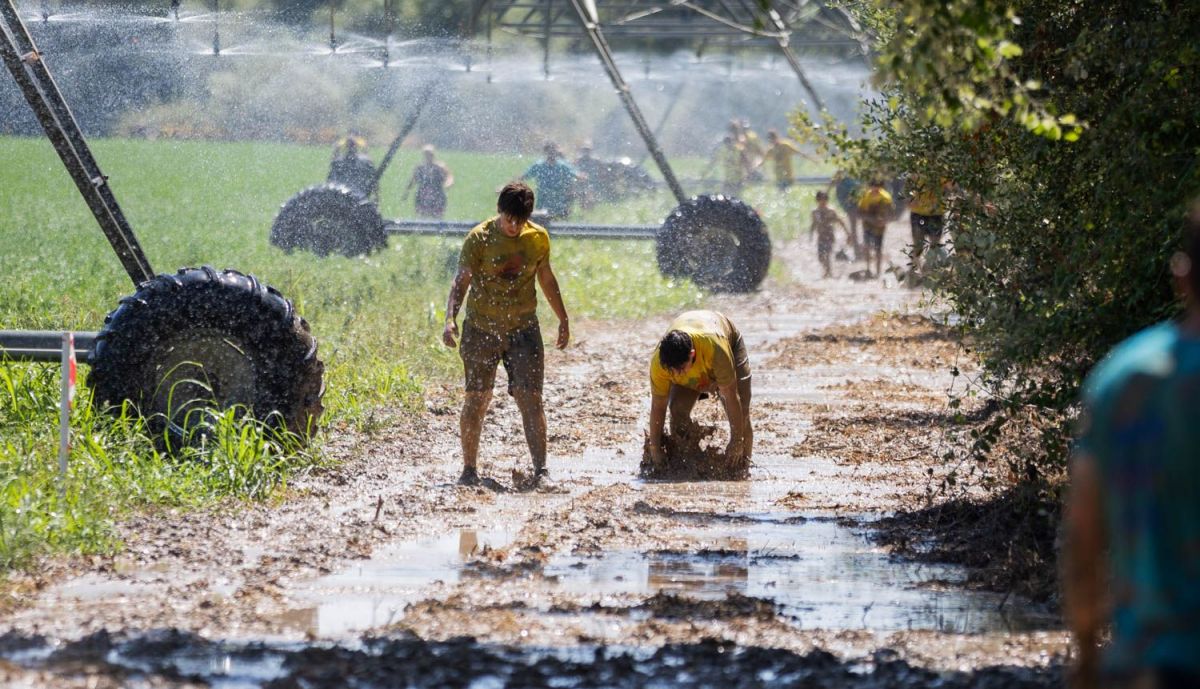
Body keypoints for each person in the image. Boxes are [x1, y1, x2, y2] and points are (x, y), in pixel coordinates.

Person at [1063, 203, 1200, 689]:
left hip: (1151, 661)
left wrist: (1085, 654)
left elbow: (1083, 533)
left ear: (1182, 276)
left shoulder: (1124, 379)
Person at [442, 182, 570, 487]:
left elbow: (546, 278)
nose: (513, 226)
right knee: (477, 399)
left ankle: (541, 471)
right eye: (508, 219)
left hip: (523, 329)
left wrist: (563, 318)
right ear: (500, 212)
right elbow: (461, 281)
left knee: (531, 399)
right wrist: (450, 318)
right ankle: (469, 470)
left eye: (519, 221)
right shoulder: (480, 238)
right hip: (481, 328)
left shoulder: (537, 239)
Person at [647, 310, 752, 469]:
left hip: (726, 342)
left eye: (681, 370)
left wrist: (736, 440)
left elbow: (731, 397)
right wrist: (655, 448)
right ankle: (686, 462)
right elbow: (658, 406)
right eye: (672, 371)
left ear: (692, 354)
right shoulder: (659, 363)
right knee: (677, 409)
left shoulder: (716, 350)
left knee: (742, 414)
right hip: (696, 359)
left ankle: (742, 468)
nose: (676, 375)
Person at [906, 174, 950, 284]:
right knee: (918, 246)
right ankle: (912, 275)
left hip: (936, 214)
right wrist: (909, 199)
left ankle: (928, 273)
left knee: (934, 245)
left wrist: (944, 196)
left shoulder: (941, 171)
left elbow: (950, 189)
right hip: (918, 213)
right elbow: (908, 186)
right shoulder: (918, 170)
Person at [522, 142, 578, 220]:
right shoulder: (539, 166)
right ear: (545, 152)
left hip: (559, 198)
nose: (552, 153)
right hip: (543, 198)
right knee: (541, 219)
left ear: (556, 152)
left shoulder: (562, 166)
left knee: (560, 219)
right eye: (550, 151)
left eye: (553, 151)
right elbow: (524, 176)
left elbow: (575, 175)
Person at [402, 144, 454, 219]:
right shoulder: (420, 167)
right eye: (426, 154)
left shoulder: (440, 166)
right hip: (422, 196)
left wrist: (448, 184)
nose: (428, 156)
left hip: (437, 196)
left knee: (437, 218)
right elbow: (413, 179)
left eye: (430, 154)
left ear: (433, 154)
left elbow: (449, 177)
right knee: (421, 218)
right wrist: (406, 192)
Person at [857, 179, 894, 278]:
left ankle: (878, 272)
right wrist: (871, 219)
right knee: (867, 246)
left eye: (877, 187)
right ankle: (868, 269)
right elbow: (860, 213)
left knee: (878, 248)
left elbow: (890, 213)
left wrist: (884, 221)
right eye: (873, 187)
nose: (875, 190)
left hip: (879, 226)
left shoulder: (885, 197)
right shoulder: (866, 196)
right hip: (867, 225)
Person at [811, 190, 848, 279]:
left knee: (827, 254)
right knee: (820, 256)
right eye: (821, 199)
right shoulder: (815, 212)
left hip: (829, 235)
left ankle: (828, 272)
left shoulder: (831, 211)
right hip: (820, 236)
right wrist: (811, 233)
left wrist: (847, 232)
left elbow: (840, 221)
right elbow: (814, 223)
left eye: (825, 199)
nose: (823, 201)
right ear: (817, 200)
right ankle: (827, 270)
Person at [327, 134, 376, 198]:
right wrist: (365, 149)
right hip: (359, 195)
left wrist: (337, 148)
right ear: (356, 147)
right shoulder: (365, 161)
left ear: (346, 147)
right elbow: (373, 180)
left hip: (343, 195)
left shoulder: (338, 162)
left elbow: (330, 181)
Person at [831, 171, 863, 258]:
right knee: (855, 228)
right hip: (851, 205)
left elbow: (831, 185)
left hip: (852, 204)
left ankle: (858, 250)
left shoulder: (846, 175)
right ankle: (857, 251)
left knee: (855, 228)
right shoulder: (847, 175)